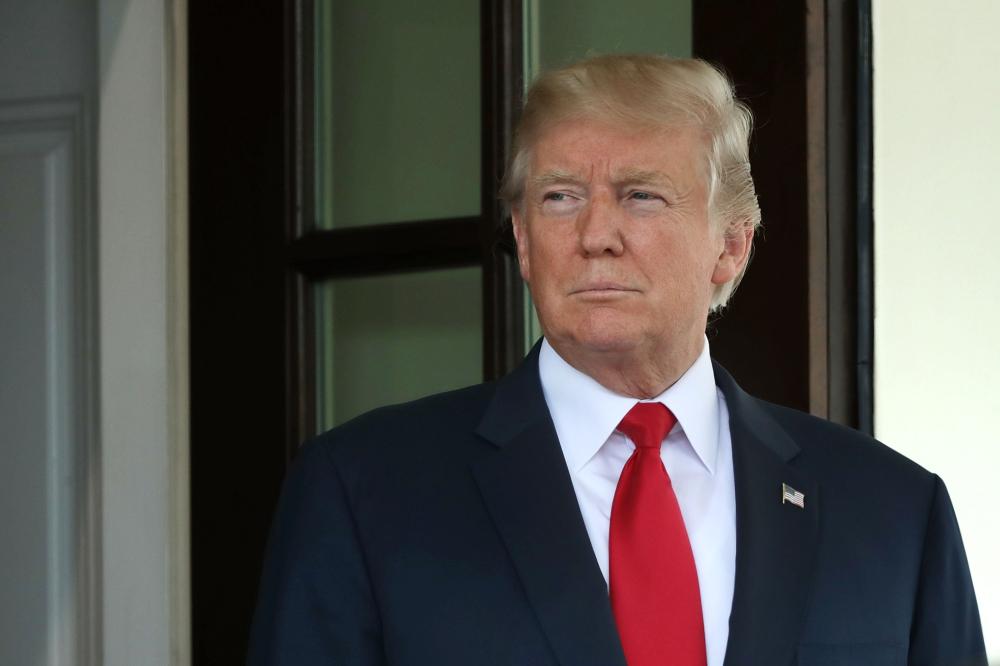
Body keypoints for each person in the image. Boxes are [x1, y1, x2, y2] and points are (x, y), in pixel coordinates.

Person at [247, 54, 986, 666]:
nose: (596, 234)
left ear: (730, 246)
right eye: (562, 197)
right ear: (525, 241)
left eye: (640, 196)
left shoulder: (893, 512)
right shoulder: (363, 492)